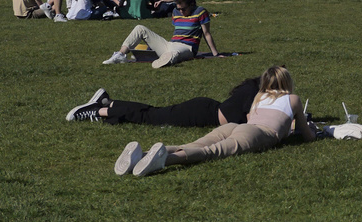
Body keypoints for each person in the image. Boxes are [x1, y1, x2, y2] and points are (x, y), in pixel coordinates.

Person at [115, 66, 316, 177]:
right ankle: (164, 160)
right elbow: (307, 136)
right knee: (211, 152)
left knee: (195, 144)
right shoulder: (293, 99)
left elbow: (251, 118)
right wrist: (308, 130)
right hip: (260, 133)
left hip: (238, 126)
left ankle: (142, 155)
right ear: (287, 82)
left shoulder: (259, 96)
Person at [102, 0, 219, 69]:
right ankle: (120, 55)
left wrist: (215, 54)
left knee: (174, 54)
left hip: (187, 48)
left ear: (192, 4)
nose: (181, 11)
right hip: (170, 44)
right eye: (179, 8)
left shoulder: (200, 12)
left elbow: (206, 34)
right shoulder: (175, 12)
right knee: (140, 28)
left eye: (183, 9)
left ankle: (163, 58)